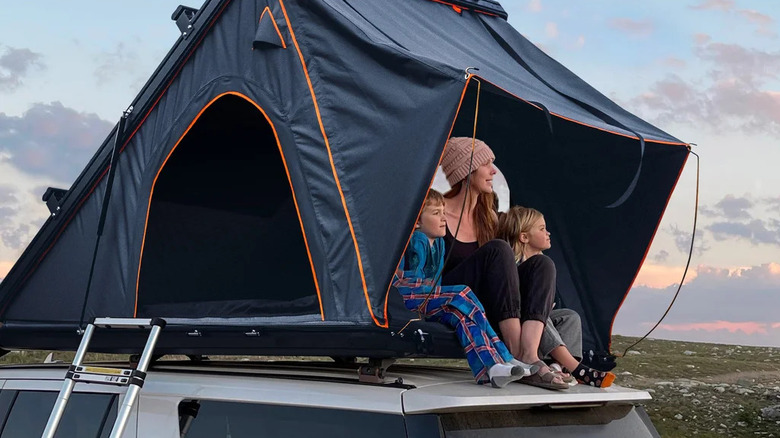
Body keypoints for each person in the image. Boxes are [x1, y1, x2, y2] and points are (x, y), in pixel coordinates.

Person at [439, 137, 567, 390]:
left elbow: (519, 253)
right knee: (498, 249)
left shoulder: (490, 219)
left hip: (487, 300)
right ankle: (514, 352)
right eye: (486, 164)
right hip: (451, 297)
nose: (493, 171)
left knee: (543, 265)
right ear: (466, 170)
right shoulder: (437, 215)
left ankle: (528, 355)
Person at [393, 189, 533, 388]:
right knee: (462, 293)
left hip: (430, 299)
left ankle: (492, 369)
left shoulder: (440, 244)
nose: (443, 219)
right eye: (435, 213)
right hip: (408, 298)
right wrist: (441, 296)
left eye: (443, 212)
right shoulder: (418, 240)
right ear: (417, 222)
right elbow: (414, 282)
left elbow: (437, 283)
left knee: (461, 316)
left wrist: (442, 300)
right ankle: (504, 355)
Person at [497, 205, 616, 388]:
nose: (548, 233)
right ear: (524, 237)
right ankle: (576, 368)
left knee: (570, 317)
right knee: (539, 316)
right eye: (542, 228)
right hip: (517, 322)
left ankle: (557, 366)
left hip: (535, 322)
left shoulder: (543, 268)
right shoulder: (512, 266)